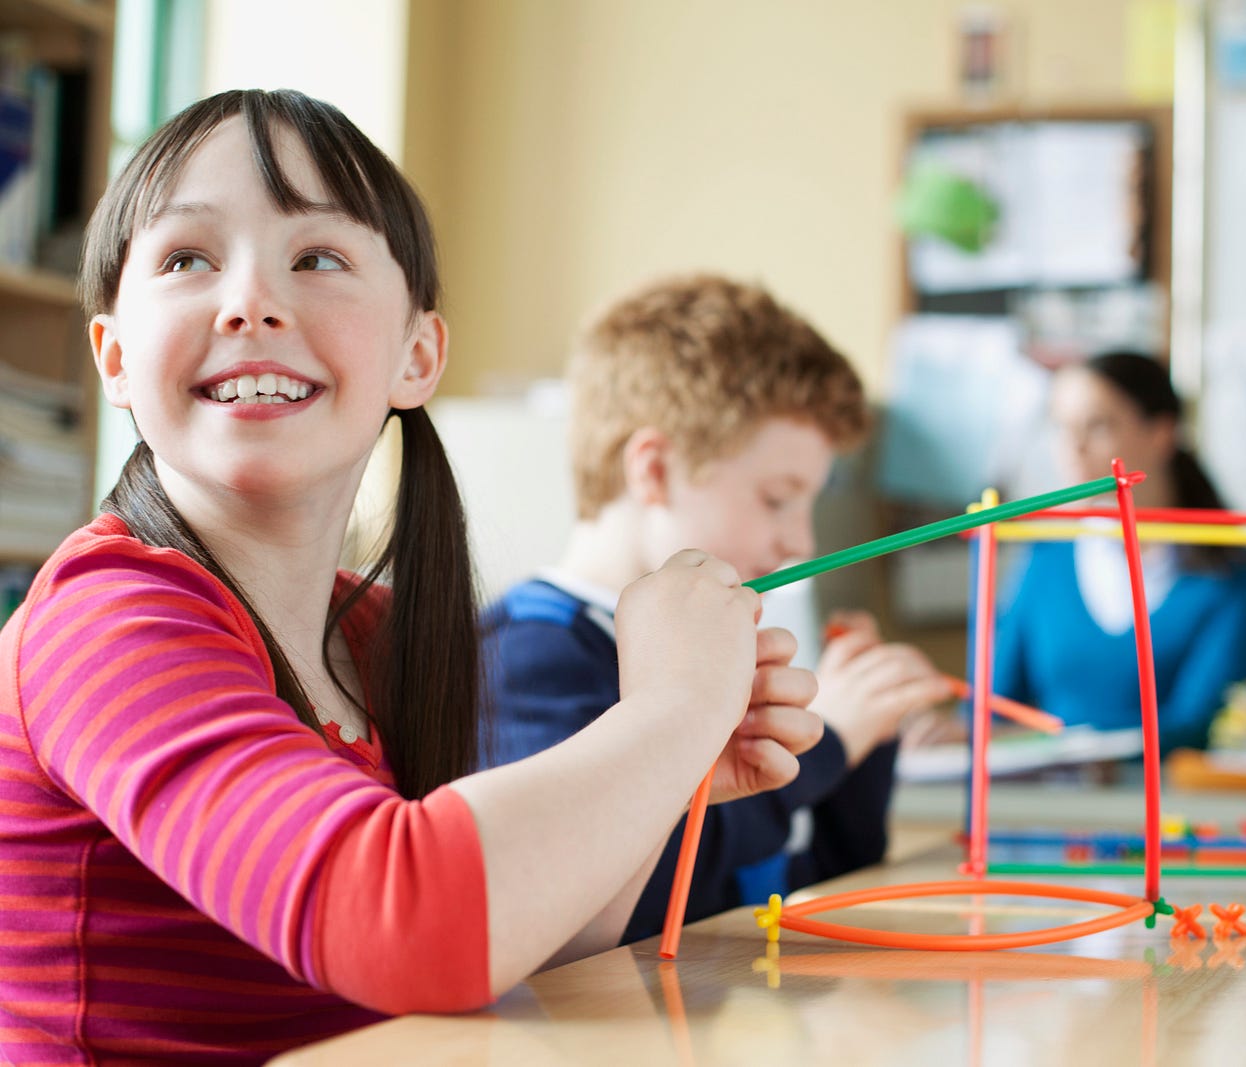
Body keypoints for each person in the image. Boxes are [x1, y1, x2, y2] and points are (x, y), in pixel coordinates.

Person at [0, 90, 822, 1065]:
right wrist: (673, 708)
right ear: (114, 357)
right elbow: (408, 927)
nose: (249, 301)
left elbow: (537, 945)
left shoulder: (377, 630)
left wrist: (664, 775)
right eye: (187, 259)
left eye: (317, 257)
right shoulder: (107, 617)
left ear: (418, 355)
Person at [481, 274, 952, 939]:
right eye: (777, 498)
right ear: (654, 470)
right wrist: (832, 742)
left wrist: (867, 740)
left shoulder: (706, 656)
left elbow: (782, 883)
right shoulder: (527, 655)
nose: (801, 542)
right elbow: (621, 897)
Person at [993, 350, 1246, 754]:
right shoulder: (1045, 557)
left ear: (1161, 432)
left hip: (1162, 790)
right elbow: (993, 707)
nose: (1073, 447)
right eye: (1061, 428)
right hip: (1048, 788)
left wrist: (1063, 741)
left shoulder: (1231, 571)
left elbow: (1195, 725)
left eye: (1097, 426)